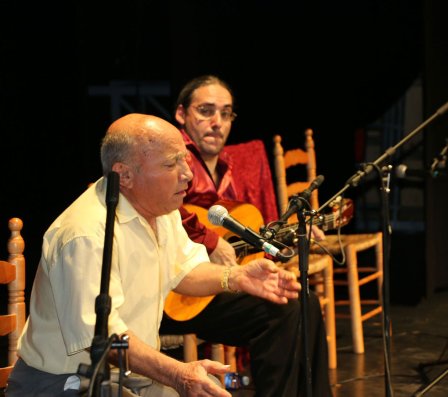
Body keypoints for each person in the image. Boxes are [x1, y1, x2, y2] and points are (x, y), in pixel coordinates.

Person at [7, 113, 302, 397]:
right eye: (172, 164)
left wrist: (236, 276)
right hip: (63, 383)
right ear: (124, 175)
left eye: (185, 160)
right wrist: (178, 373)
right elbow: (104, 339)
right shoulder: (85, 234)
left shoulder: (161, 210)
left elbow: (185, 271)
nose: (187, 174)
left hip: (127, 375)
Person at [158, 75, 333, 397]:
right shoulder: (171, 156)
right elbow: (161, 207)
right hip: (171, 290)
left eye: (226, 113)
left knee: (300, 301)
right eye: (206, 111)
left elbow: (239, 239)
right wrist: (210, 242)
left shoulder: (226, 170)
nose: (217, 123)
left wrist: (290, 235)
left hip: (208, 290)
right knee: (283, 308)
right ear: (181, 114)